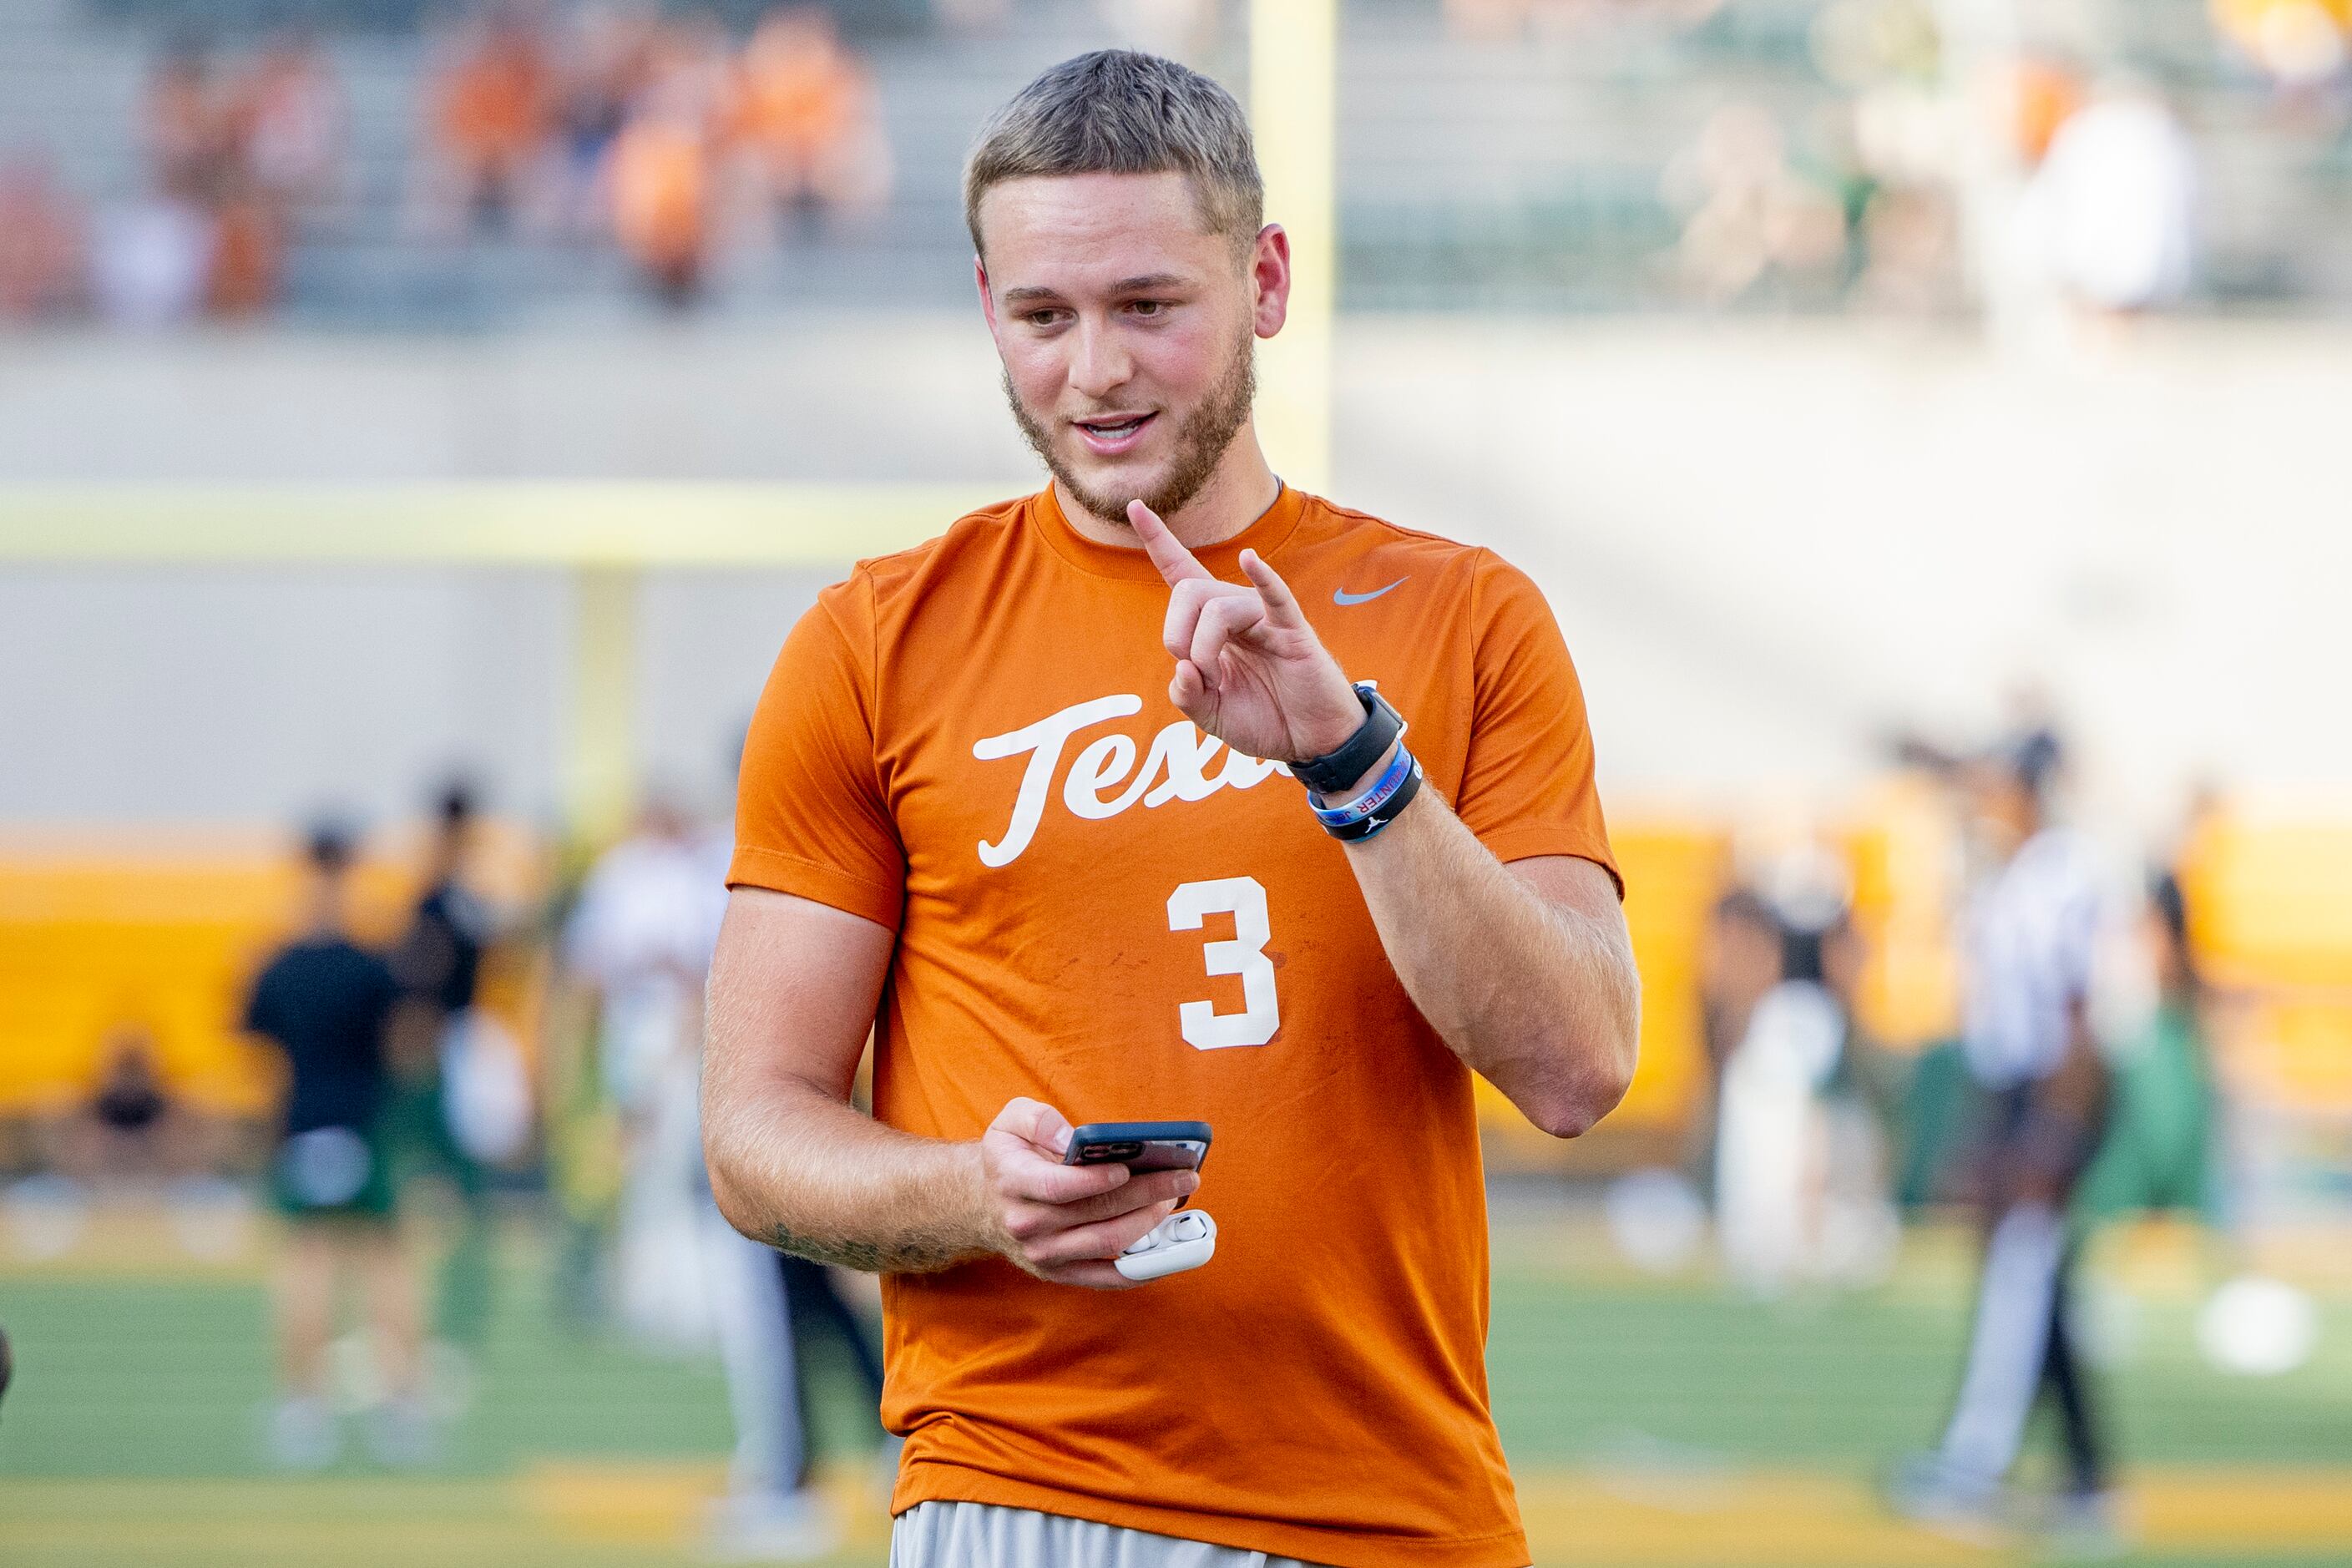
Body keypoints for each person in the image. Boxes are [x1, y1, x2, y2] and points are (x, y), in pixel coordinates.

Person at [701, 51, 1640, 1568]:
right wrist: (972, 1191)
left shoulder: (1463, 616)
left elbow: (1580, 1065)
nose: (1096, 373)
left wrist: (1351, 764)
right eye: (1041, 317)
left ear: (1264, 280)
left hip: (1389, 1510)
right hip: (1021, 1495)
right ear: (987, 309)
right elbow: (753, 1133)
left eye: (1148, 307)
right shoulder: (875, 639)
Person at [1890, 731, 2117, 1540]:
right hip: (2018, 1090)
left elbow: (2080, 1014)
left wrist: (2051, 1131)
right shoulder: (2013, 877)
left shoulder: (2063, 875)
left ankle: (1975, 1461)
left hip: (2057, 1090)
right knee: (2036, 1284)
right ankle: (2090, 1476)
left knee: (2020, 1281)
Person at [244, 824, 425, 1470]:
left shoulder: (278, 963)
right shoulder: (372, 963)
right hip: (365, 1122)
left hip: (303, 1122)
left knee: (307, 1262)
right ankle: (401, 1406)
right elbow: (406, 1044)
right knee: (384, 1262)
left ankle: (303, 1408)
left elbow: (260, 1052)